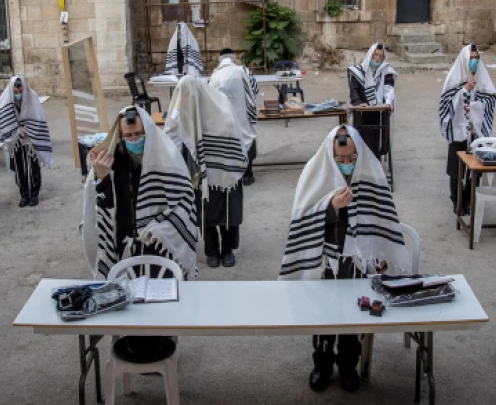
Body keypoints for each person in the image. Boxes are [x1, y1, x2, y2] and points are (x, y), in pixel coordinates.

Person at [279, 126, 410, 394]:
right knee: (324, 317)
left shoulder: (371, 174)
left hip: (357, 264)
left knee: (353, 316)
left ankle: (349, 364)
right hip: (326, 261)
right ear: (330, 155)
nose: (347, 164)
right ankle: (323, 365)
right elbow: (301, 217)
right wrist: (330, 206)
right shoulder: (314, 173)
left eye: (352, 158)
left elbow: (381, 218)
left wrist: (380, 256)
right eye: (341, 160)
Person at [82, 106, 198, 280]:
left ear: (149, 132)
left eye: (139, 134)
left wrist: (162, 228)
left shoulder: (166, 157)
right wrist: (101, 176)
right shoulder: (112, 159)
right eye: (128, 136)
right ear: (120, 135)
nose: (134, 140)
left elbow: (185, 200)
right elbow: (100, 204)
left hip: (157, 241)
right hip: (124, 240)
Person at [165, 76, 249, 268]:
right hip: (199, 169)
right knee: (205, 210)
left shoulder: (221, 103)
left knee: (229, 210)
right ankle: (211, 250)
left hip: (225, 169)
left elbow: (231, 128)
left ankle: (228, 249)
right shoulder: (185, 106)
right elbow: (172, 130)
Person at [439, 44, 496, 216]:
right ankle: (456, 201)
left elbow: (491, 96)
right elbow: (446, 103)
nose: (473, 62)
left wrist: (477, 103)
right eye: (470, 58)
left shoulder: (482, 76)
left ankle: (469, 199)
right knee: (456, 168)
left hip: (476, 130)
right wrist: (465, 90)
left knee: (476, 167)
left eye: (476, 58)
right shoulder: (454, 77)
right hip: (459, 130)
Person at [0, 76, 52, 207]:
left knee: (33, 166)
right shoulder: (5, 100)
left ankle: (34, 194)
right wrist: (17, 129)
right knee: (19, 167)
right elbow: (2, 117)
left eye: (20, 92)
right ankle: (24, 194)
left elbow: (38, 116)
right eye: (15, 92)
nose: (18, 95)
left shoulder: (32, 97)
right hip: (15, 138)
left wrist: (28, 128)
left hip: (30, 138)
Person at [210, 48, 259, 186]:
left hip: (223, 118)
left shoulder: (214, 76)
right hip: (242, 115)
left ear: (220, 59)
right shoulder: (243, 71)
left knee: (228, 144)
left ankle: (230, 174)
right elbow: (255, 90)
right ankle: (247, 175)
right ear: (233, 58)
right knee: (247, 139)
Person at [347, 42, 397, 160]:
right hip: (362, 110)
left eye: (380, 56)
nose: (377, 58)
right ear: (370, 55)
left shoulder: (386, 70)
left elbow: (389, 89)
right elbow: (353, 90)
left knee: (377, 139)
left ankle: (376, 158)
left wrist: (389, 102)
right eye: (375, 55)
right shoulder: (358, 72)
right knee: (362, 136)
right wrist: (359, 103)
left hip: (379, 112)